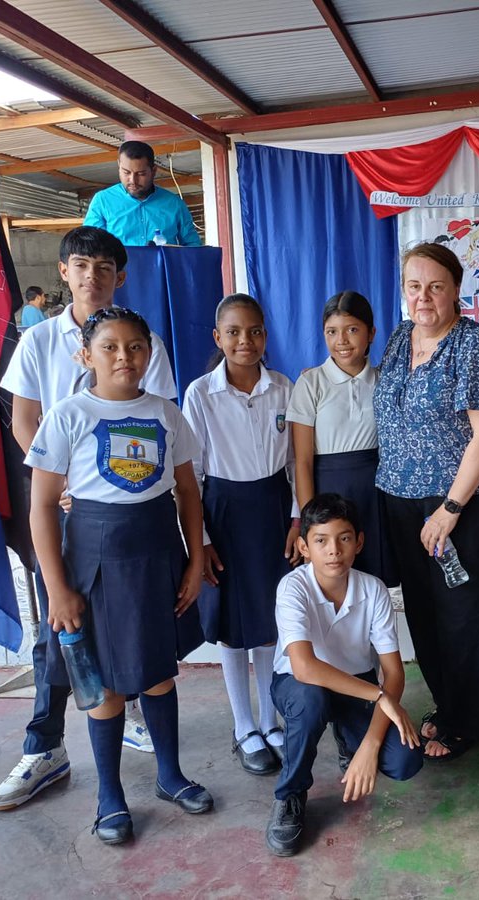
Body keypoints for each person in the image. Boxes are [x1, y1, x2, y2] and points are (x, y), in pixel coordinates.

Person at [0, 226, 179, 812]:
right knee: (62, 630)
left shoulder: (142, 341)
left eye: (103, 267)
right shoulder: (38, 340)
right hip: (67, 505)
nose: (91, 276)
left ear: (120, 275)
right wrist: (66, 482)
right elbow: (24, 421)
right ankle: (44, 746)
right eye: (80, 265)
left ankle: (137, 722)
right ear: (64, 272)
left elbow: (153, 419)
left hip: (131, 512)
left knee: (136, 629)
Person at [26, 306, 211, 845]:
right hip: (95, 561)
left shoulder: (166, 413)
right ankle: (110, 795)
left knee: (157, 672)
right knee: (103, 684)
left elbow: (188, 491)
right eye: (109, 347)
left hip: (157, 554)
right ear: (85, 355)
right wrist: (57, 588)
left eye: (135, 347)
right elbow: (41, 506)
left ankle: (170, 775)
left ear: (149, 354)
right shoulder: (68, 415)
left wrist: (195, 561)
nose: (124, 357)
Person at [373, 242, 479, 760]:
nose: (424, 297)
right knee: (425, 610)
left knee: (463, 612)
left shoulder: (472, 345)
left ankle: (469, 721)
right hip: (402, 500)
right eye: (414, 286)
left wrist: (450, 510)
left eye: (436, 286)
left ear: (456, 290)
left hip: (460, 504)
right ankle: (446, 703)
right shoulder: (399, 338)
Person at [265, 493, 422, 857]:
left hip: (357, 684)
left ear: (359, 542)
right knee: (311, 699)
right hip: (298, 684)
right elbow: (304, 667)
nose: (334, 550)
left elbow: (393, 673)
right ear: (304, 547)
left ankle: (350, 743)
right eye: (321, 540)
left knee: (405, 761)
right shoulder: (293, 587)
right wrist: (380, 696)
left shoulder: (373, 589)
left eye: (344, 538)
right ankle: (290, 795)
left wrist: (370, 745)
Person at [182, 294, 299, 777]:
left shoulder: (283, 388)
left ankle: (270, 721)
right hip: (224, 513)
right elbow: (190, 473)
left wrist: (297, 518)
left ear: (265, 336)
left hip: (273, 510)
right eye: (233, 332)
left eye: (253, 331)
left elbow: (295, 462)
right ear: (218, 337)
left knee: (270, 618)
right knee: (232, 623)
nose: (244, 341)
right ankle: (244, 726)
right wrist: (201, 540)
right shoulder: (200, 394)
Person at [288, 291, 396, 585]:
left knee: (375, 577)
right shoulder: (310, 383)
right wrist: (309, 525)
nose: (342, 340)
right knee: (333, 576)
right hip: (328, 488)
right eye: (332, 332)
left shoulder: (385, 380)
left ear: (371, 333)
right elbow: (302, 462)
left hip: (377, 491)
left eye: (352, 330)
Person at [84, 141, 200, 247]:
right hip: (120, 264)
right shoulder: (103, 200)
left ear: (153, 171)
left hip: (164, 264)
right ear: (119, 166)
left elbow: (193, 246)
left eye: (141, 174)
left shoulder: (174, 204)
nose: (133, 180)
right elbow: (90, 246)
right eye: (126, 172)